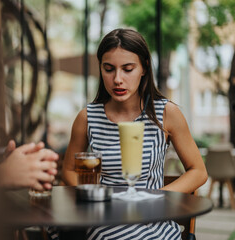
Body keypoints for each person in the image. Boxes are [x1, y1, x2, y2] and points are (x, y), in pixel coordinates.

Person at [60, 28, 208, 240]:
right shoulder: (87, 117)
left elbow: (198, 171)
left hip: (153, 221)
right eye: (108, 69)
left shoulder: (165, 113)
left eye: (128, 69)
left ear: (144, 68)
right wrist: (93, 199)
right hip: (103, 221)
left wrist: (157, 198)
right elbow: (68, 170)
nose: (117, 79)